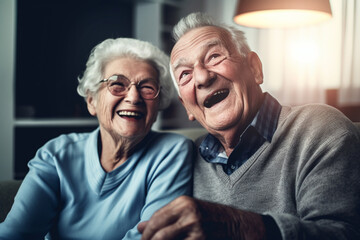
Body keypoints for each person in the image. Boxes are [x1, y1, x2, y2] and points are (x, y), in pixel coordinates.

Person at [138, 12, 360, 239]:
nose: (203, 78)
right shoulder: (185, 158)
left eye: (214, 56)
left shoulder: (319, 129)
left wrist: (239, 226)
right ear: (186, 106)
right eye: (185, 74)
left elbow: (345, 234)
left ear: (255, 69)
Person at [0, 38, 194, 239]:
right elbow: (15, 234)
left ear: (158, 105)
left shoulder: (172, 152)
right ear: (92, 101)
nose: (134, 97)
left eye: (147, 88)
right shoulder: (56, 155)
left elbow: (152, 236)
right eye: (118, 84)